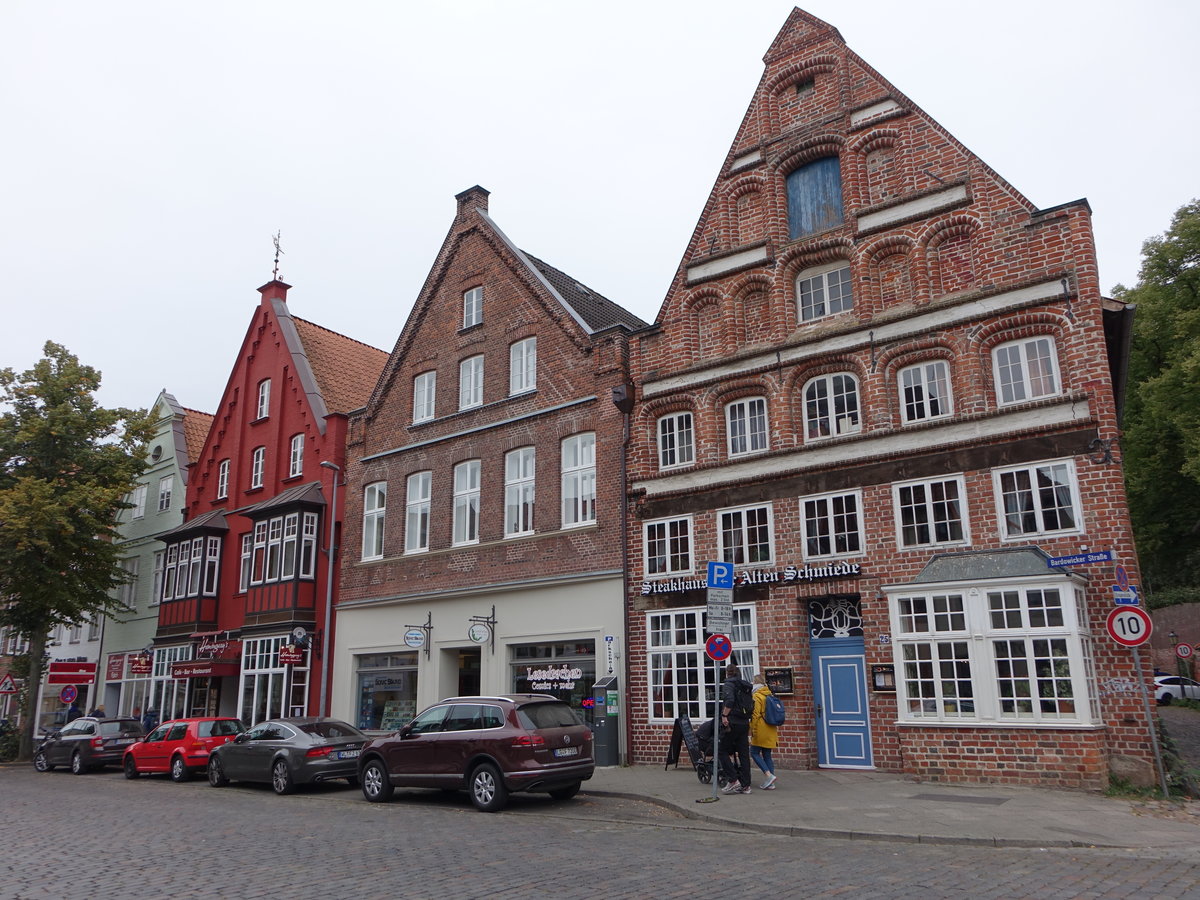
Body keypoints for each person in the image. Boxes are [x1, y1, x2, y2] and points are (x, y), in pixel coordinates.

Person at [719, 662, 753, 794]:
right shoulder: (744, 684)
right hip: (745, 722)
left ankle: (733, 780)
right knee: (744, 754)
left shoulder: (729, 684)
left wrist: (724, 715)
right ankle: (746, 785)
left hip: (733, 721)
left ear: (727, 673)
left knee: (721, 750)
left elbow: (729, 701)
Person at [749, 673, 779, 789]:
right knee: (767, 755)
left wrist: (753, 729)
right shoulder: (769, 694)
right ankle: (771, 782)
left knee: (754, 752)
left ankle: (769, 775)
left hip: (761, 728)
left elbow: (755, 715)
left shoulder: (757, 696)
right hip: (771, 727)